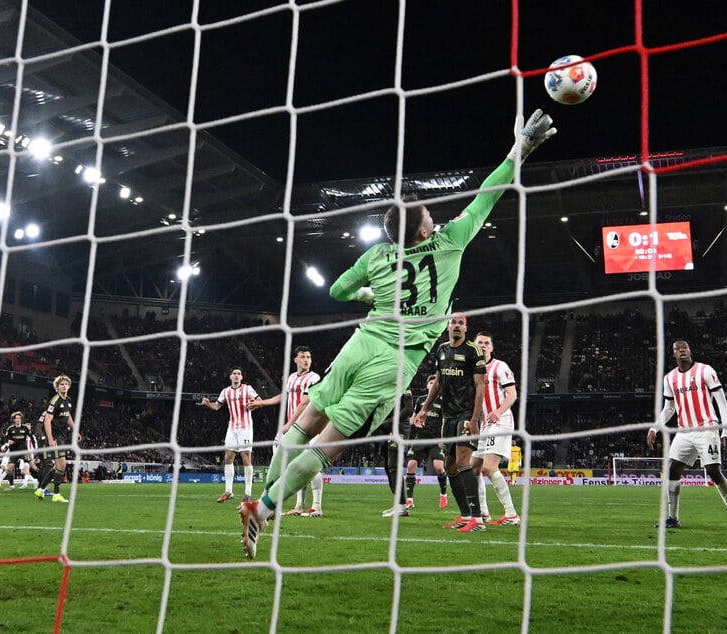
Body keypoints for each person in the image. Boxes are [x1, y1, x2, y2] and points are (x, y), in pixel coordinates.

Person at [237, 109, 556, 558]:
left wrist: (372, 294)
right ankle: (264, 509)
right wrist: (518, 150)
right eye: (429, 213)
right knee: (330, 445)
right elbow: (489, 194)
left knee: (302, 423)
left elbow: (336, 289)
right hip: (395, 358)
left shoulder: (378, 255)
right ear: (425, 228)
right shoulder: (450, 242)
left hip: (359, 343)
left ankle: (261, 496)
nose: (433, 215)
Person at [646, 341, 727, 530]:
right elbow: (669, 408)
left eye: (685, 347)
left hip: (707, 428)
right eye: (677, 349)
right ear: (673, 354)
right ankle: (673, 518)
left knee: (714, 472)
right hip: (684, 431)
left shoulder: (705, 370)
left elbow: (721, 402)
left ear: (690, 351)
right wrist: (654, 428)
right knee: (672, 469)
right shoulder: (670, 378)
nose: (681, 350)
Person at [414, 314, 486, 532]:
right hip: (449, 416)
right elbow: (437, 382)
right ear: (448, 327)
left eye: (460, 323)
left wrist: (474, 419)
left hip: (466, 414)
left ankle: (478, 519)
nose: (456, 326)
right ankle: (465, 515)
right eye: (453, 323)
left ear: (465, 328)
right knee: (449, 465)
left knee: (464, 462)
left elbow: (480, 386)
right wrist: (425, 409)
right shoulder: (443, 349)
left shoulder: (473, 351)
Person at [251, 346, 325, 517]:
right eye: (303, 357)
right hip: (294, 428)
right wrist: (263, 403)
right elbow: (285, 396)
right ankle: (299, 505)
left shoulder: (314, 378)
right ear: (295, 360)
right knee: (292, 464)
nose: (307, 359)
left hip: (310, 426)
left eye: (308, 357)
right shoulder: (291, 378)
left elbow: (306, 402)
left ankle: (316, 506)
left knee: (311, 464)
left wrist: (290, 423)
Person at [472, 330, 520, 526]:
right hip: (484, 425)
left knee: (489, 467)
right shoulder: (473, 370)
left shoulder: (500, 367)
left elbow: (512, 394)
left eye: (486, 343)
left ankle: (511, 514)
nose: (483, 346)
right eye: (479, 343)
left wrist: (498, 412)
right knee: (472, 468)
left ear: (491, 347)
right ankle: (483, 512)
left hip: (500, 422)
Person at [200, 367, 260, 503]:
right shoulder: (226, 392)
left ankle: (248, 493)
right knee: (228, 458)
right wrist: (208, 404)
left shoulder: (248, 389)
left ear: (242, 377)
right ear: (230, 377)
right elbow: (217, 406)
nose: (237, 376)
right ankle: (228, 491)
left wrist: (254, 405)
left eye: (239, 374)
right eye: (234, 374)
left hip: (245, 428)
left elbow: (259, 401)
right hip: (232, 428)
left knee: (246, 457)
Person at [34, 375, 81, 503]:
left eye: (66, 384)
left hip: (62, 435)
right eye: (61, 384)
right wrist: (50, 439)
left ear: (69, 386)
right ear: (57, 387)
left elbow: (68, 416)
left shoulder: (68, 400)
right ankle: (56, 494)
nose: (64, 386)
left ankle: (40, 489)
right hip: (55, 436)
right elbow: (47, 421)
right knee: (62, 464)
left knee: (57, 466)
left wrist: (75, 429)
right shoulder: (54, 401)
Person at [404, 374, 448, 510]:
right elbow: (413, 417)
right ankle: (409, 499)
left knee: (439, 467)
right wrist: (412, 421)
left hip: (435, 439)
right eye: (430, 383)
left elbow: (444, 421)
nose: (432, 385)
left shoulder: (442, 401)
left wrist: (442, 438)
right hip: (420, 438)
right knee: (411, 465)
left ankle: (443, 494)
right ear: (427, 385)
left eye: (435, 383)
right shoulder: (420, 400)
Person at [381, 387, 416, 517]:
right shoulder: (386, 382)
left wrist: (391, 421)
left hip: (399, 427)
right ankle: (398, 503)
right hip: (386, 427)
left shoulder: (404, 382)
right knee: (388, 466)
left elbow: (409, 409)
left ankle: (402, 506)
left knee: (394, 466)